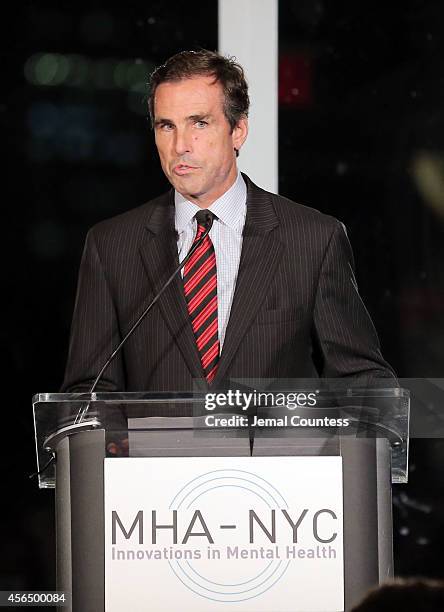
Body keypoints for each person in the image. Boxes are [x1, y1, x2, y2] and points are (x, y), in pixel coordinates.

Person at [61, 49, 395, 400]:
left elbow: (362, 381)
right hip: (161, 455)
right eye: (166, 126)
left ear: (238, 131)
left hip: (277, 454)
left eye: (199, 123)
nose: (180, 146)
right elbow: (89, 396)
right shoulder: (112, 246)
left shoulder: (312, 239)